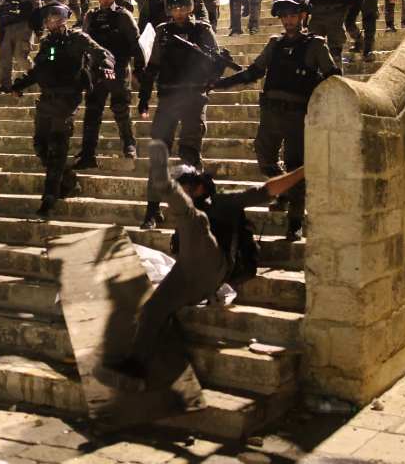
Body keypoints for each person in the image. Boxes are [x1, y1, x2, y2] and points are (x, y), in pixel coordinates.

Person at [104, 141, 306, 384]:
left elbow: (268, 189)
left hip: (216, 267)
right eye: (178, 189)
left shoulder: (223, 203)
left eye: (185, 188)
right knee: (152, 308)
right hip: (188, 274)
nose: (185, 193)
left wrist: (304, 170)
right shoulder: (187, 215)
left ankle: (164, 182)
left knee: (194, 220)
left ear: (198, 187)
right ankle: (137, 364)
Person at [213, 0, 338, 240]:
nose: (288, 20)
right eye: (284, 16)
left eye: (293, 15)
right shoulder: (275, 44)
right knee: (264, 155)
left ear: (303, 16)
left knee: (295, 166)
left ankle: (295, 220)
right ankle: (282, 191)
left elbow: (333, 80)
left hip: (297, 115)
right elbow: (253, 72)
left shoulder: (315, 45)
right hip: (271, 113)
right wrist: (220, 83)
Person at [8, 2, 114, 219]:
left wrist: (106, 66)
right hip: (47, 100)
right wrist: (19, 86)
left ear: (65, 18)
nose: (53, 22)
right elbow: (38, 71)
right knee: (40, 146)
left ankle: (48, 199)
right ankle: (67, 179)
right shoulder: (47, 43)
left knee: (57, 148)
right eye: (49, 19)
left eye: (57, 17)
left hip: (67, 99)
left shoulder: (77, 38)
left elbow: (101, 52)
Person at [137, 0, 220, 228]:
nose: (180, 12)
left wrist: (206, 72)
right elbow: (152, 67)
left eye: (183, 6)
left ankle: (194, 208)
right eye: (175, 7)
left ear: (191, 7)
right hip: (169, 98)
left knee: (190, 155)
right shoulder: (163, 32)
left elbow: (216, 62)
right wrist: (144, 97)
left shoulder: (202, 30)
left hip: (194, 98)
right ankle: (152, 211)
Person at [74, 0, 142, 168]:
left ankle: (129, 145)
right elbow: (84, 43)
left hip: (118, 69)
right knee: (92, 112)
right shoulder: (91, 16)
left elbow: (136, 44)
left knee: (121, 108)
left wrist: (138, 69)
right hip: (96, 71)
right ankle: (88, 154)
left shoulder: (123, 15)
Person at [0, 0, 41, 92]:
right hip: (8, 27)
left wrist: (38, 29)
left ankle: (36, 77)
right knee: (4, 57)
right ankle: (5, 85)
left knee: (21, 56)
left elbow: (37, 9)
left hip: (24, 26)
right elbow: (2, 7)